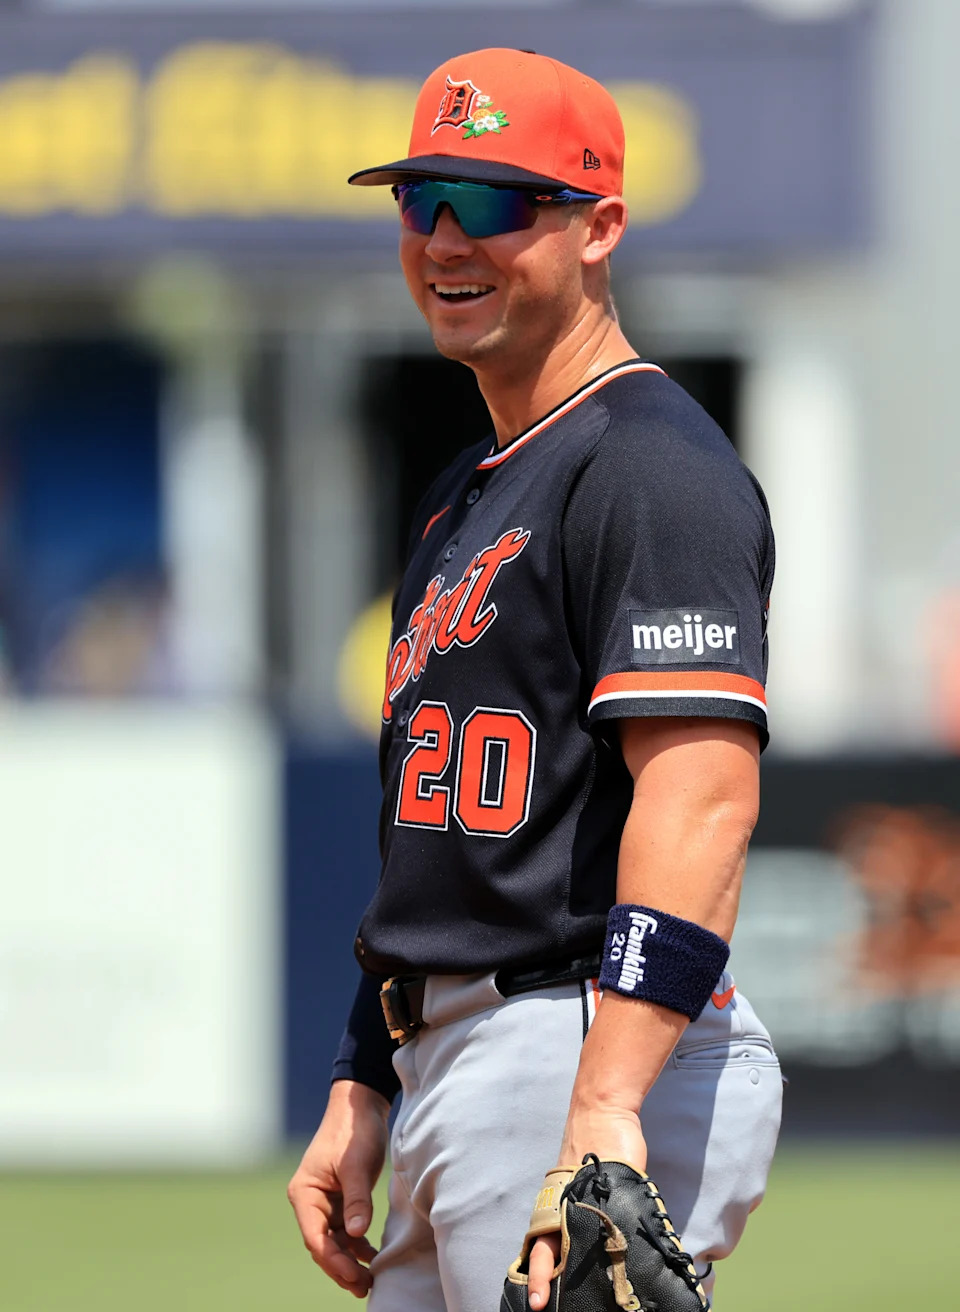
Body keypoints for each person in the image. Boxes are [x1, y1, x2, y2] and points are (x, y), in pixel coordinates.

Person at [288, 47, 782, 1312]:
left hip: (569, 1031)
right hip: (454, 1049)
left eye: (497, 202)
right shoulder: (469, 493)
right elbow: (430, 831)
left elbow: (701, 797)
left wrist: (608, 1098)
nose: (449, 237)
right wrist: (364, 1074)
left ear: (599, 227)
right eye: (423, 199)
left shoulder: (648, 463)